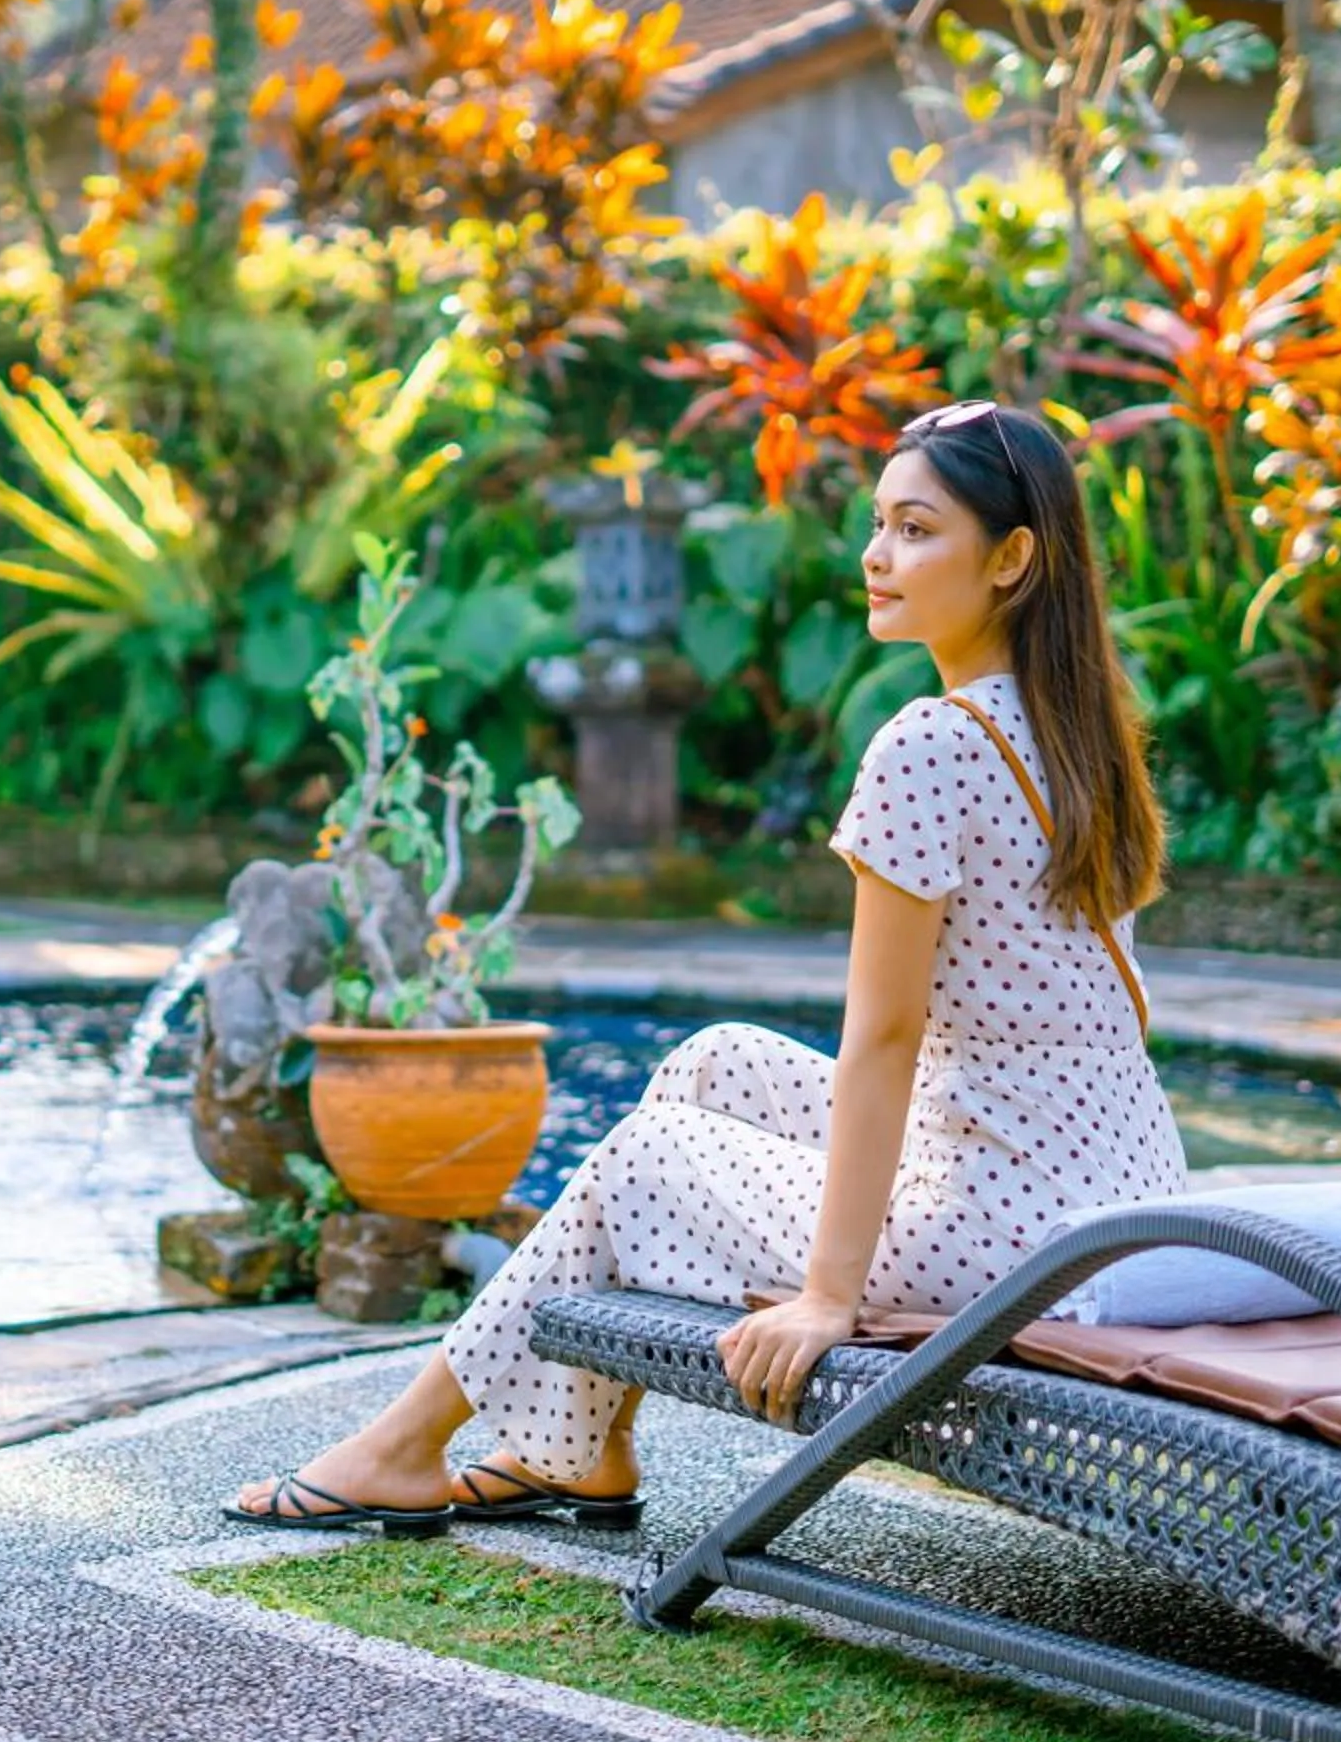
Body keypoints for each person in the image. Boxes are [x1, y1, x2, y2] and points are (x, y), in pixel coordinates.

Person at [225, 400, 1185, 1536]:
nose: (877, 556)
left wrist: (832, 1294)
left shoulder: (931, 744)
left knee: (645, 1157)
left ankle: (403, 1443)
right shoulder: (1079, 734)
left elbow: (884, 1037)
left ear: (1014, 556)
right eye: (878, 524)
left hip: (1003, 1236)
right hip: (1117, 1205)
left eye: (916, 529)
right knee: (715, 1064)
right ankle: (576, 1443)